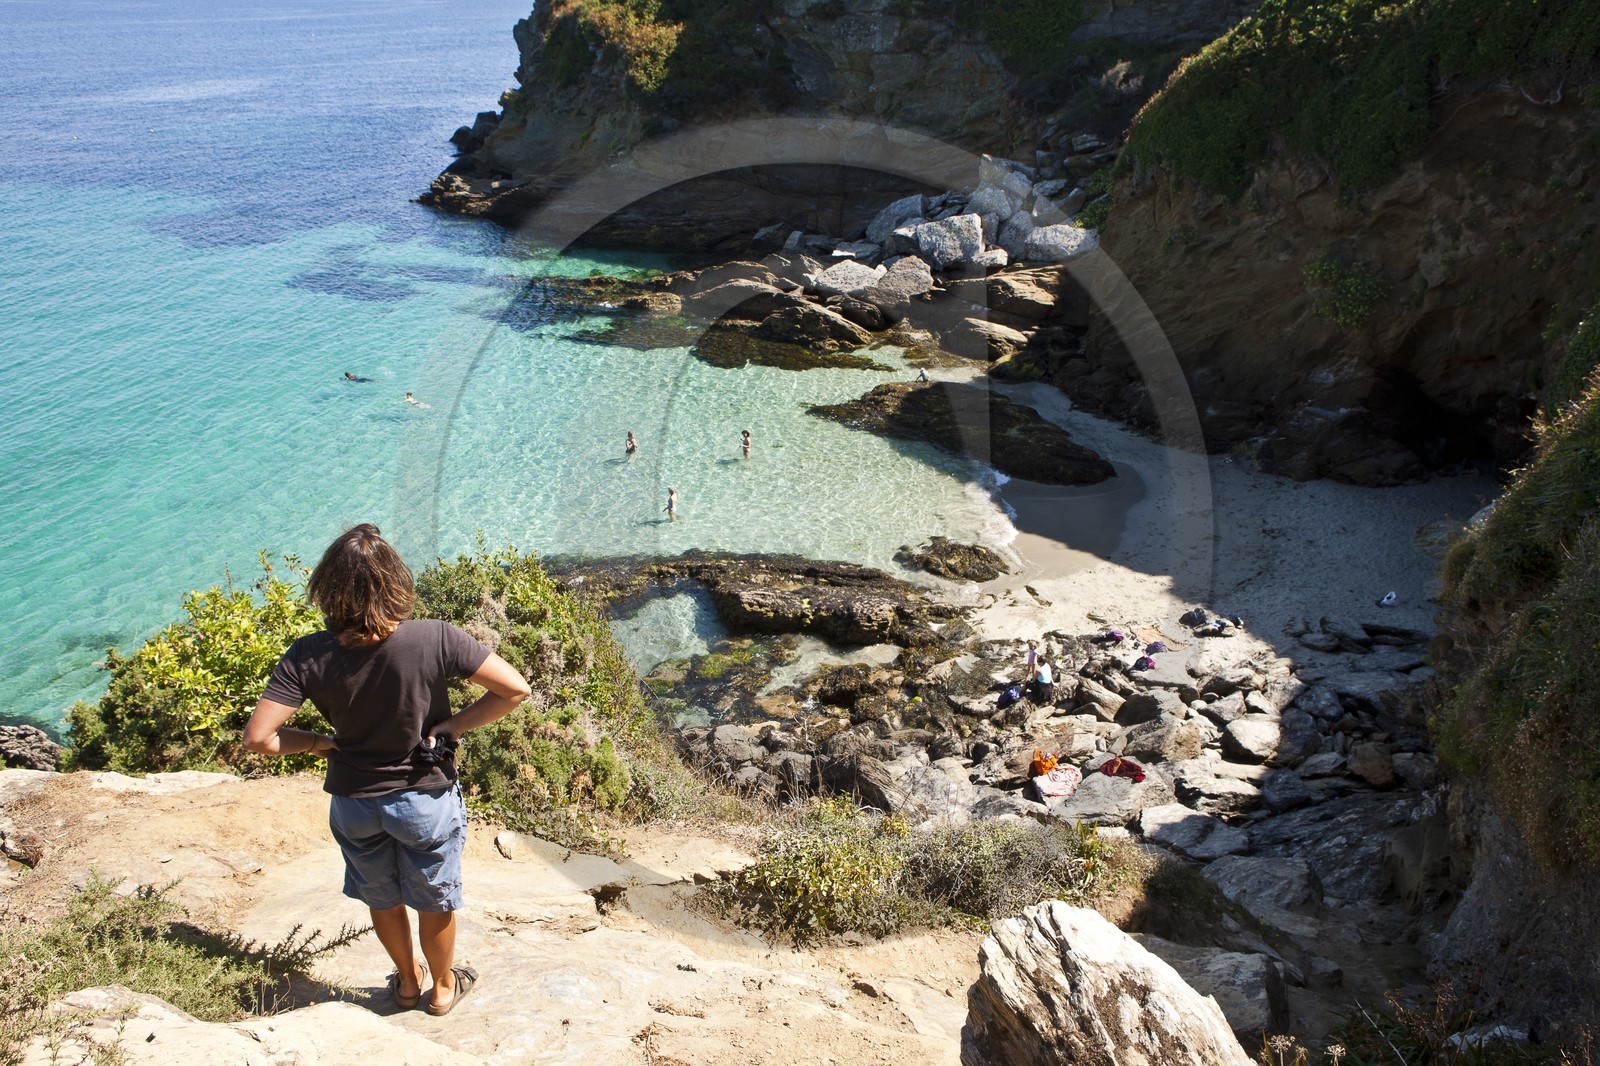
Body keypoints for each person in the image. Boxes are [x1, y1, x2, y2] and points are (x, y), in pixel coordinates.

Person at [243, 524, 531, 1017]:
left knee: (383, 897)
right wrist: (452, 725)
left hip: (355, 803)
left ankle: (406, 983)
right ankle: (443, 989)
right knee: (435, 898)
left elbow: (258, 739)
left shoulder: (307, 654)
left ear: (328, 588)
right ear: (395, 581)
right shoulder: (435, 637)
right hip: (424, 800)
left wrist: (317, 743)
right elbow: (515, 690)